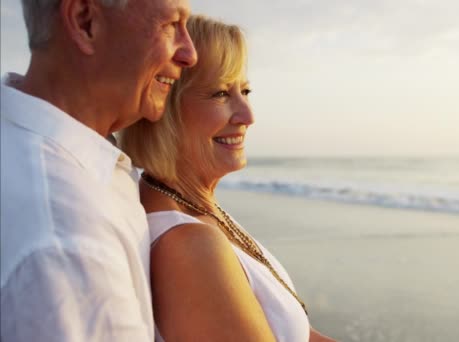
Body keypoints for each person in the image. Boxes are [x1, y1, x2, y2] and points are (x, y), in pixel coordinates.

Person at [119, 15, 335, 342]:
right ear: (165, 104)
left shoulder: (196, 208)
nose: (247, 116)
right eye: (220, 93)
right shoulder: (188, 244)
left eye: (245, 90)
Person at [0, 0, 197, 340]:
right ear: (85, 21)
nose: (189, 54)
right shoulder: (68, 242)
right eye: (170, 25)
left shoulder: (74, 163)